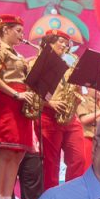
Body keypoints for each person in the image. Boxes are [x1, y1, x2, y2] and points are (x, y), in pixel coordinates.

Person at [0, 14, 35, 199]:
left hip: (22, 102)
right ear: (5, 30)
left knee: (18, 153)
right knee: (5, 152)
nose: (22, 36)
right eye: (18, 31)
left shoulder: (18, 54)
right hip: (8, 100)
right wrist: (15, 94)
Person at [34, 29, 85, 190]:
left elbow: (76, 91)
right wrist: (51, 103)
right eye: (60, 42)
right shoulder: (36, 63)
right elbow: (31, 92)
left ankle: (73, 196)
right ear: (48, 43)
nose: (65, 46)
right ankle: (51, 198)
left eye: (66, 43)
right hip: (48, 116)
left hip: (69, 116)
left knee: (79, 159)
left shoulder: (68, 66)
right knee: (51, 162)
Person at [77, 87, 100, 172]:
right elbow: (83, 119)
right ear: (88, 89)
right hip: (88, 138)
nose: (99, 91)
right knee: (87, 168)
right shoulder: (83, 99)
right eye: (96, 89)